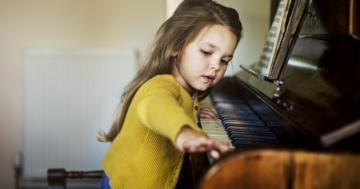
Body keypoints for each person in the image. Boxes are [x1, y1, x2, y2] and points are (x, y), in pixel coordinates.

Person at [98, 0, 243, 188]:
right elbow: (158, 107)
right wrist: (183, 130)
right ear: (176, 46)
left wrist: (191, 113)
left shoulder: (190, 88)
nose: (216, 66)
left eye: (224, 60)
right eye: (207, 52)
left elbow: (177, 104)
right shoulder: (160, 86)